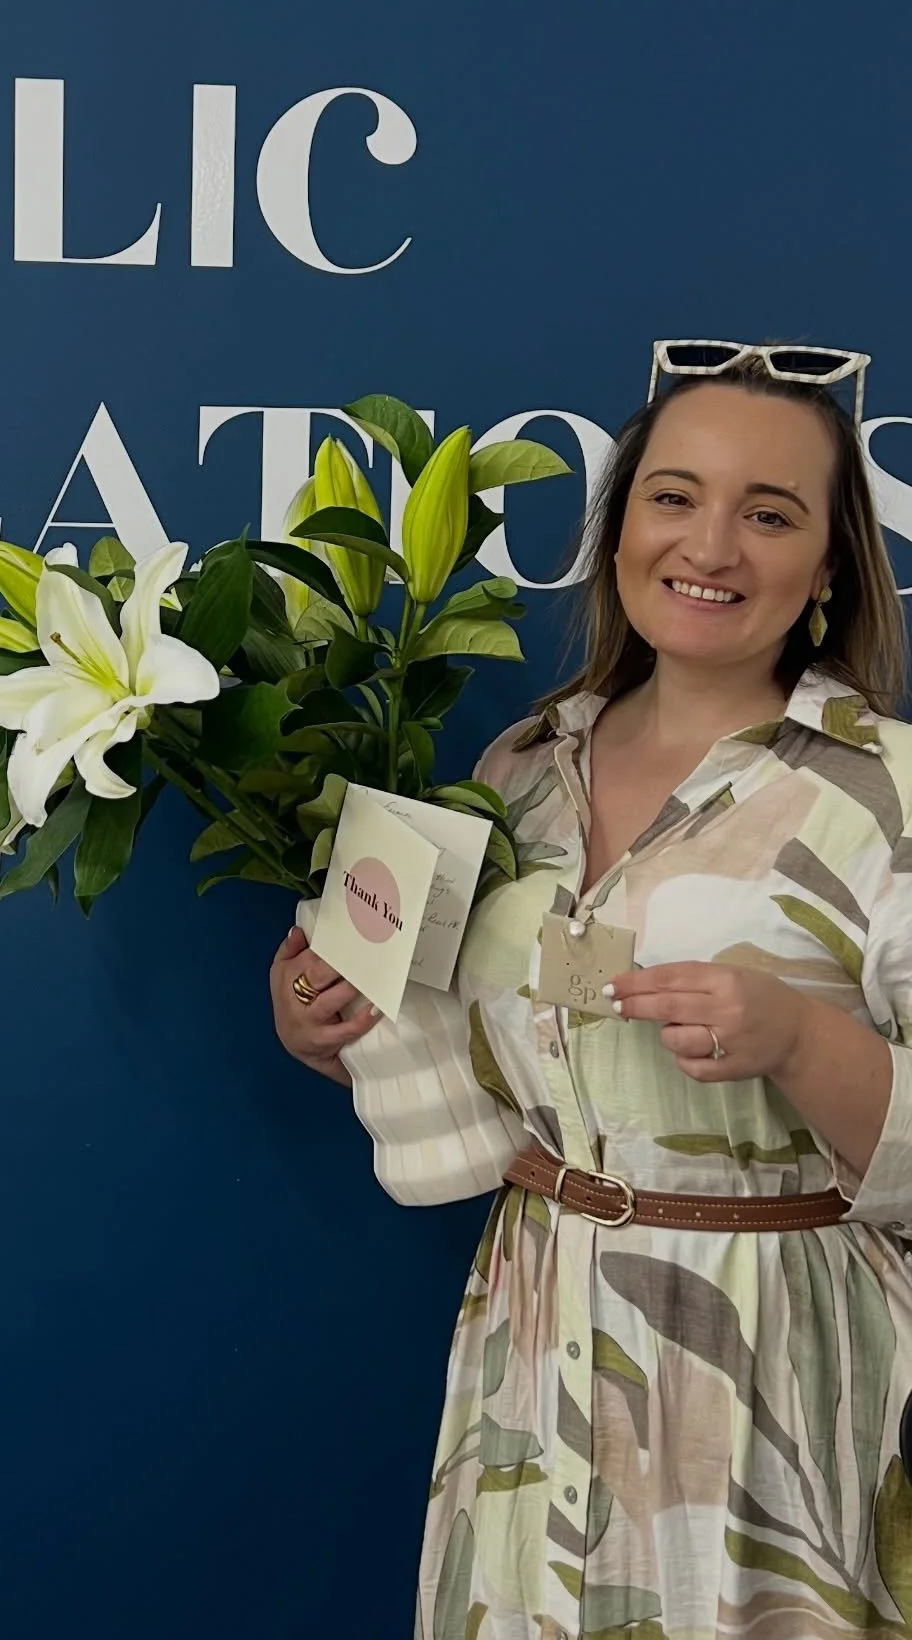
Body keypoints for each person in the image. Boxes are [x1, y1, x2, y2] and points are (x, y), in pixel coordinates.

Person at [269, 343, 912, 1640]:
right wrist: (326, 1023)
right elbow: (450, 1050)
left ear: (831, 564)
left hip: (768, 1372)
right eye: (673, 496)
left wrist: (795, 1034)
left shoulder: (888, 794)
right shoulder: (514, 770)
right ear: (619, 528)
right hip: (536, 1328)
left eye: (770, 511)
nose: (712, 544)